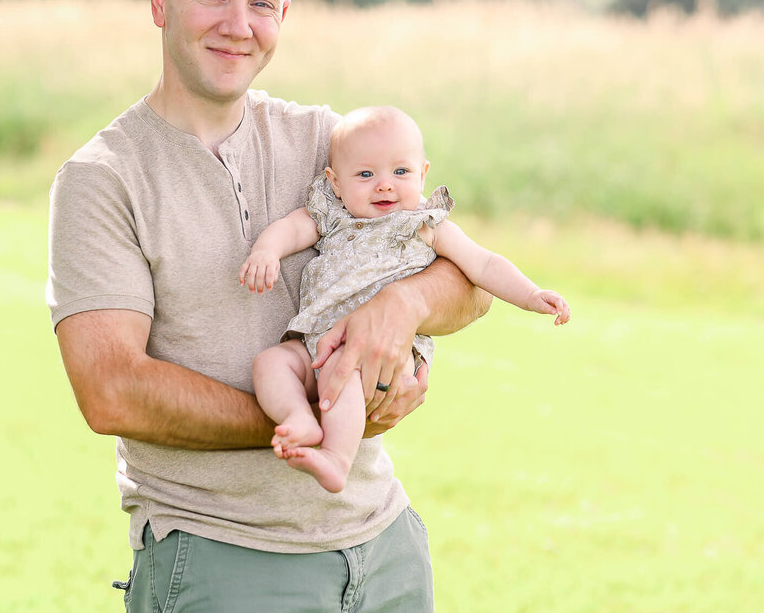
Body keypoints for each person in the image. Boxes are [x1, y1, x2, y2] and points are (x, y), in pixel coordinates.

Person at [47, 0, 491, 612]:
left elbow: (467, 280)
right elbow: (112, 391)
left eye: (261, 4)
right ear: (161, 1)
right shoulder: (104, 177)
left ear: (284, 15)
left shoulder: (327, 139)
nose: (237, 24)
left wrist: (400, 309)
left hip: (385, 547)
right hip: (225, 560)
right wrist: (322, 418)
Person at [241, 106, 571, 493]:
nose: (384, 185)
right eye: (366, 175)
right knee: (271, 363)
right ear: (334, 182)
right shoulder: (332, 214)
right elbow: (289, 229)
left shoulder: (424, 224)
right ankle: (298, 417)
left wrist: (531, 295)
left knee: (341, 373)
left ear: (423, 174)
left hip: (381, 349)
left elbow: (482, 264)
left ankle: (336, 459)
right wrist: (265, 252)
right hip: (313, 338)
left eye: (400, 173)